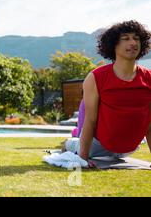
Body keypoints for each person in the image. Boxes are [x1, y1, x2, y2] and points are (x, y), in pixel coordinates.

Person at [63, 20, 151, 164]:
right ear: (114, 45)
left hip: (129, 149)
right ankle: (69, 143)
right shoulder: (96, 77)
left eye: (136, 38)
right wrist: (83, 159)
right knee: (75, 145)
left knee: (119, 154)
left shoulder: (149, 78)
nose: (133, 43)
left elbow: (150, 124)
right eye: (126, 39)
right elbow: (90, 120)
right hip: (97, 146)